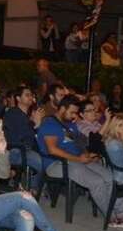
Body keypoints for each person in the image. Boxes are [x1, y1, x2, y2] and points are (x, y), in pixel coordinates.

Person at [37, 95, 114, 223]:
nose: (74, 116)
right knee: (97, 181)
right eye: (72, 112)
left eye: (76, 113)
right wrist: (79, 159)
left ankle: (119, 213)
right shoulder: (50, 124)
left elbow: (79, 144)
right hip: (56, 163)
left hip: (76, 159)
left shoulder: (71, 125)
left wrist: (87, 154)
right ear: (62, 108)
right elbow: (52, 150)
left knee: (109, 177)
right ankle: (112, 218)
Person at [3, 87, 48, 192]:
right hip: (15, 151)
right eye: (27, 95)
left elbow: (35, 135)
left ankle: (32, 186)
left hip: (28, 149)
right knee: (39, 161)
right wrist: (35, 123)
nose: (30, 97)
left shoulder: (27, 115)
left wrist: (37, 124)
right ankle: (31, 189)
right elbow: (22, 136)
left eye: (31, 95)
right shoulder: (13, 113)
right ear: (18, 98)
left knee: (47, 157)